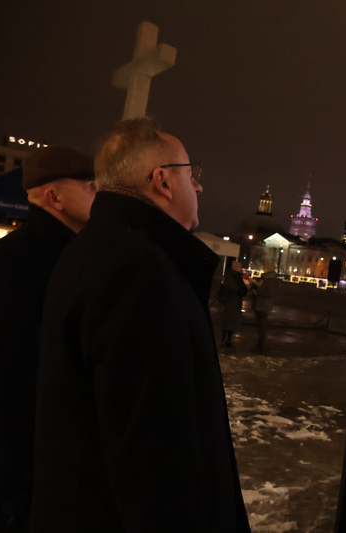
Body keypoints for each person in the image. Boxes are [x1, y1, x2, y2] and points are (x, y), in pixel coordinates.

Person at [31, 118, 250, 532]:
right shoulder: (140, 271)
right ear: (162, 181)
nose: (199, 186)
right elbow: (153, 455)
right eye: (193, 174)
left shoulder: (98, 248)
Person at [0, 146, 96, 531]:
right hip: (17, 485)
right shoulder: (12, 266)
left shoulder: (73, 258)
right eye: (90, 187)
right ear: (54, 197)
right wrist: (20, 490)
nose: (100, 196)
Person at [218, 260, 248, 350]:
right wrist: (241, 290)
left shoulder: (237, 276)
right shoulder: (231, 275)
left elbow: (243, 289)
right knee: (227, 322)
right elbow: (235, 288)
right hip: (230, 302)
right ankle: (224, 340)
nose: (241, 269)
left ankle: (228, 340)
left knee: (231, 322)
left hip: (235, 302)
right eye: (239, 267)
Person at [252, 262, 279, 354]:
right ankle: (259, 347)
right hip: (261, 305)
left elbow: (269, 293)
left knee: (262, 328)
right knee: (260, 328)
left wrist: (258, 290)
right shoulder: (268, 278)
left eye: (265, 268)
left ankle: (260, 348)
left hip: (264, 305)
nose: (264, 269)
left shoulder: (271, 280)